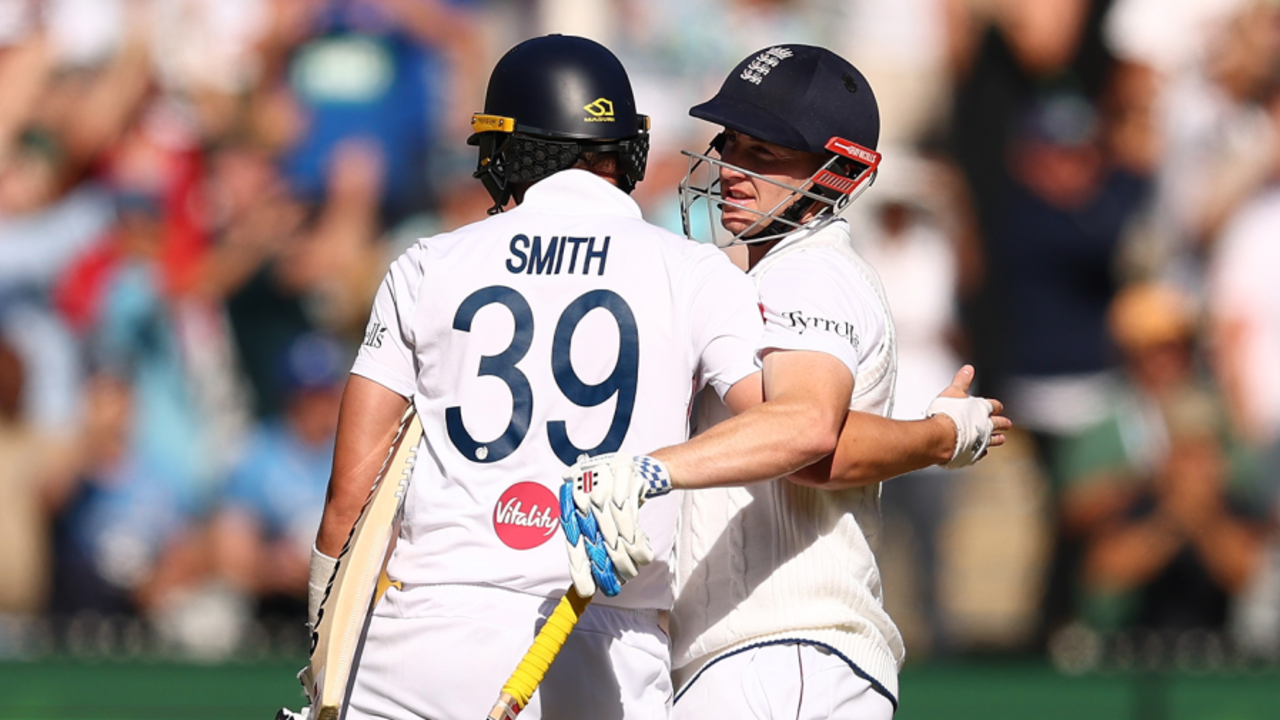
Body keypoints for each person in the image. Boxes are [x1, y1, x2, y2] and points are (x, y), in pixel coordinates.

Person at [307, 35, 767, 720]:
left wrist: (322, 643)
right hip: (606, 644)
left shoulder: (429, 262)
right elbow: (782, 424)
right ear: (624, 151)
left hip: (423, 634)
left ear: (513, 149)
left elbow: (352, 496)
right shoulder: (695, 270)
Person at [556, 45, 1009, 719]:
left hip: (786, 655)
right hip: (765, 660)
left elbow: (810, 436)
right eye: (731, 144)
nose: (733, 171)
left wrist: (646, 472)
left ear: (840, 172)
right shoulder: (755, 273)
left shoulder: (811, 272)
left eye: (764, 156)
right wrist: (937, 434)